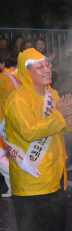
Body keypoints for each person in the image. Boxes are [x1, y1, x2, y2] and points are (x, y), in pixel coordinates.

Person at [5, 48, 72, 231]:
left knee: (57, 228)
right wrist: (60, 115)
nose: (47, 70)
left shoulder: (52, 93)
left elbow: (68, 127)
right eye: (40, 67)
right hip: (32, 181)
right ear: (26, 72)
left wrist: (68, 116)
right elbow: (29, 132)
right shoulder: (18, 99)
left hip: (56, 177)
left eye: (47, 65)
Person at [0, 46, 20, 198]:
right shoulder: (19, 73)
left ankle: (15, 183)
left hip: (4, 122)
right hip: (17, 119)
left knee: (1, 157)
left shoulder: (3, 78)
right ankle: (13, 186)